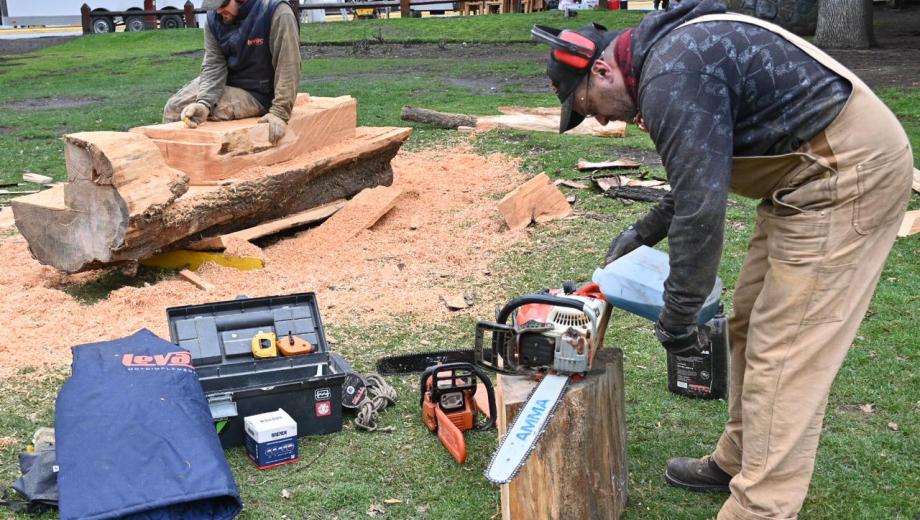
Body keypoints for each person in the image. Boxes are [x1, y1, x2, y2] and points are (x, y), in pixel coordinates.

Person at [533, 1, 913, 519]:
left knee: (785, 351)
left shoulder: (670, 75)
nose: (596, 118)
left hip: (844, 174)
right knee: (750, 320)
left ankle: (760, 508)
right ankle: (738, 458)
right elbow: (698, 177)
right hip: (802, 179)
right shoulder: (664, 64)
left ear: (602, 68)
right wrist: (641, 231)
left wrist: (680, 313)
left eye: (588, 104)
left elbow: (701, 210)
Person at [162, 0, 302, 145]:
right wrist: (204, 102)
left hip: (258, 92)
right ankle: (173, 159)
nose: (217, 11)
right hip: (228, 82)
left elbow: (288, 64)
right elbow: (213, 64)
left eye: (222, 5)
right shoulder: (213, 18)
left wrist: (280, 112)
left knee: (214, 112)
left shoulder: (276, 12)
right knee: (174, 109)